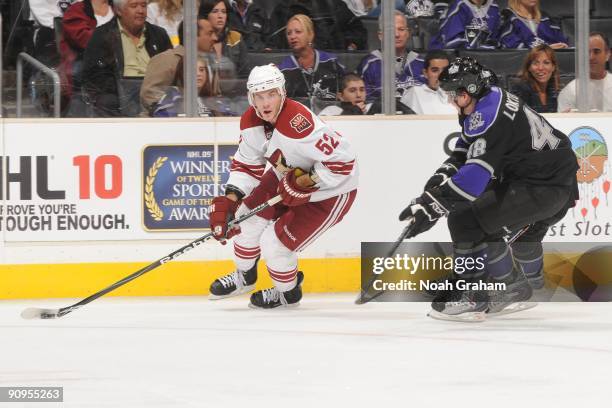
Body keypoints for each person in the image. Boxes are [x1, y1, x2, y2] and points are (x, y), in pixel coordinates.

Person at [398, 57, 578, 321]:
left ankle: (474, 292)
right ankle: (506, 284)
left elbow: (473, 179)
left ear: (468, 89)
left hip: (545, 187)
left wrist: (434, 204)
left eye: (452, 94)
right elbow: (466, 149)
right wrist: (438, 184)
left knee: (465, 218)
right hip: (544, 180)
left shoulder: (487, 114)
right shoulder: (488, 99)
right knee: (473, 216)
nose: (450, 100)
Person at [207, 64, 358, 309]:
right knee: (243, 218)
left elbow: (344, 161)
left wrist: (306, 181)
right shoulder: (251, 121)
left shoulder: (299, 123)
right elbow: (246, 164)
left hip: (331, 191)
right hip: (286, 174)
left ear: (282, 93)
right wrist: (231, 200)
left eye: (272, 94)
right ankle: (244, 278)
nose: (266, 103)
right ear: (251, 98)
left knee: (273, 244)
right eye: (259, 96)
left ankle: (287, 293)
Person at [81, 0, 172, 116]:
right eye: (134, 6)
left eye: (143, 6)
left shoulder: (159, 34)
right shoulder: (102, 35)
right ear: (119, 10)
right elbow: (94, 77)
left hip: (156, 95)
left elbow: (170, 68)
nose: (140, 11)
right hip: (118, 100)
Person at [140, 18, 218, 115]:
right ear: (192, 36)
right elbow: (149, 94)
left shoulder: (210, 62)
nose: (215, 38)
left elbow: (214, 98)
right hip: (168, 125)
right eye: (210, 33)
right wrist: (178, 109)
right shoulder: (166, 59)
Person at [58, 0, 114, 115]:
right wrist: (115, 41)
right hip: (83, 62)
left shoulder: (118, 8)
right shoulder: (76, 10)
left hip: (114, 61)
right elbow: (84, 40)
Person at [357, 10, 425, 103]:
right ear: (381, 35)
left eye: (401, 29)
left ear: (408, 33)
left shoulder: (421, 63)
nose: (397, 35)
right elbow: (364, 101)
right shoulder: (369, 64)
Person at [278, 14, 345, 108]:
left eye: (298, 32)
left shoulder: (331, 62)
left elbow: (346, 90)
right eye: (289, 33)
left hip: (332, 118)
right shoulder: (283, 70)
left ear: (310, 35)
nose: (292, 36)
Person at [267, 0, 368, 51]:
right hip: (295, 66)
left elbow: (358, 31)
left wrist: (348, 44)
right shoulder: (281, 10)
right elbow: (274, 44)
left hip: (331, 63)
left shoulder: (333, 5)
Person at [557, 32, 612, 112]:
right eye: (587, 52)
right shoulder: (570, 91)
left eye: (596, 52)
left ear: (607, 54)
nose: (591, 57)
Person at [152, 57, 218, 116]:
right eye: (193, 70)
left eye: (201, 70)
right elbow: (161, 117)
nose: (198, 74)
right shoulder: (173, 94)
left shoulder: (210, 98)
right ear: (183, 73)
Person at [199, 0, 250, 77]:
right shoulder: (199, 38)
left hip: (233, 87)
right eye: (215, 11)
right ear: (206, 15)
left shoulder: (236, 38)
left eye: (223, 12)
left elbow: (244, 73)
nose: (220, 16)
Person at [400, 50, 457, 114]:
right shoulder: (414, 93)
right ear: (425, 73)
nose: (441, 75)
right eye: (435, 70)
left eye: (445, 71)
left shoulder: (458, 94)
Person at [428, 0, 500, 49]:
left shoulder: (494, 7)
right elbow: (452, 44)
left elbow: (493, 40)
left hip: (479, 56)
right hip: (444, 55)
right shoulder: (459, 6)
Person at [497, 0, 568, 49]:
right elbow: (511, 44)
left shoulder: (546, 18)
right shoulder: (507, 16)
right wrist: (545, 49)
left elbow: (560, 41)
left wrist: (562, 46)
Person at [511, 44, 559, 113]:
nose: (540, 68)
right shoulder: (520, 89)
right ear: (529, 67)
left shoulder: (554, 89)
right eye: (536, 63)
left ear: (553, 67)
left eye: (546, 63)